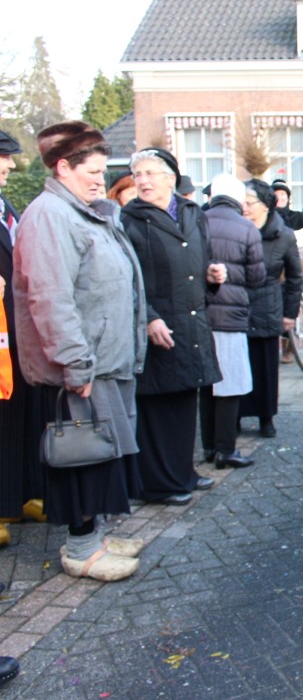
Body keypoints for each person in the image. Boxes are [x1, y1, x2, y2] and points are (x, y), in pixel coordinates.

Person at [13, 121, 148, 582]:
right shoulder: (50, 216)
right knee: (83, 457)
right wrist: (75, 362)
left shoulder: (84, 213)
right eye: (90, 171)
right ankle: (82, 548)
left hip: (104, 360)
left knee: (103, 454)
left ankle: (99, 536)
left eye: (101, 170)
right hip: (84, 366)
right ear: (62, 167)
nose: (99, 179)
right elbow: (50, 298)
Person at [121, 149, 223, 505]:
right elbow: (127, 278)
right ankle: (159, 484)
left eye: (149, 173)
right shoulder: (130, 220)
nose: (142, 181)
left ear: (170, 178)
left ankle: (183, 472)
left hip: (190, 320)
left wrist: (212, 275)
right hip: (158, 323)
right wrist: (148, 316)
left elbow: (202, 257)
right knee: (158, 405)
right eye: (137, 175)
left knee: (184, 400)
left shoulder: (193, 213)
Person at [0, 129, 49, 532]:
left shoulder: (6, 206)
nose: (11, 165)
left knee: (22, 413)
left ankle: (20, 495)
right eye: (4, 157)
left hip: (18, 330)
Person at [199, 174, 265, 469]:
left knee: (206, 385)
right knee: (229, 383)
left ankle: (209, 446)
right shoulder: (247, 227)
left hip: (201, 314)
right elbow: (257, 276)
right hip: (231, 315)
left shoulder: (197, 221)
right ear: (239, 200)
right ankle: (226, 449)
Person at [239, 179, 303, 438]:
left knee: (265, 366)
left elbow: (295, 277)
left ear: (266, 205)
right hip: (237, 306)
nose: (244, 207)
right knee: (238, 364)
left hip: (268, 305)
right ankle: (235, 415)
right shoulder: (236, 229)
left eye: (249, 202)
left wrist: (290, 313)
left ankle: (266, 417)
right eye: (242, 202)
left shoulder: (284, 235)